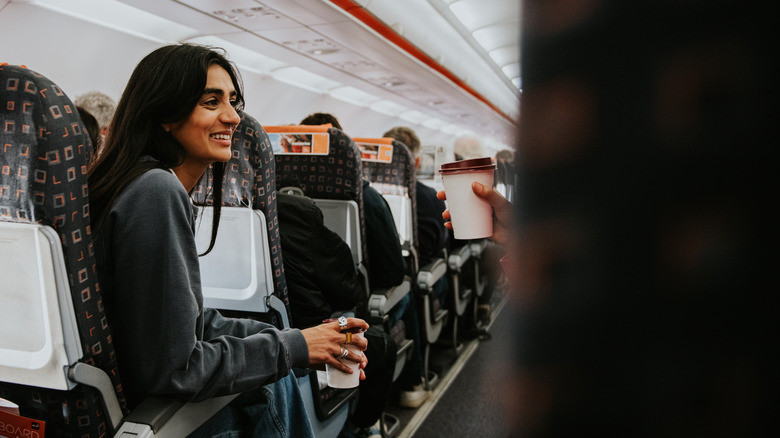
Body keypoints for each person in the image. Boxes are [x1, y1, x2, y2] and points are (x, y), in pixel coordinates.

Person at [87, 43, 368, 437]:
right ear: (166, 114)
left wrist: (299, 341)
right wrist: (292, 350)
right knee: (270, 382)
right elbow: (176, 368)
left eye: (233, 101)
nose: (234, 117)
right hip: (155, 419)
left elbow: (186, 325)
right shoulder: (155, 191)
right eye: (211, 101)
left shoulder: (129, 184)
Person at [299, 114, 430, 409]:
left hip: (298, 316)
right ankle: (411, 384)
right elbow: (392, 271)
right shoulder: (367, 198)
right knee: (406, 290)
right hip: (353, 313)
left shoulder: (271, 199)